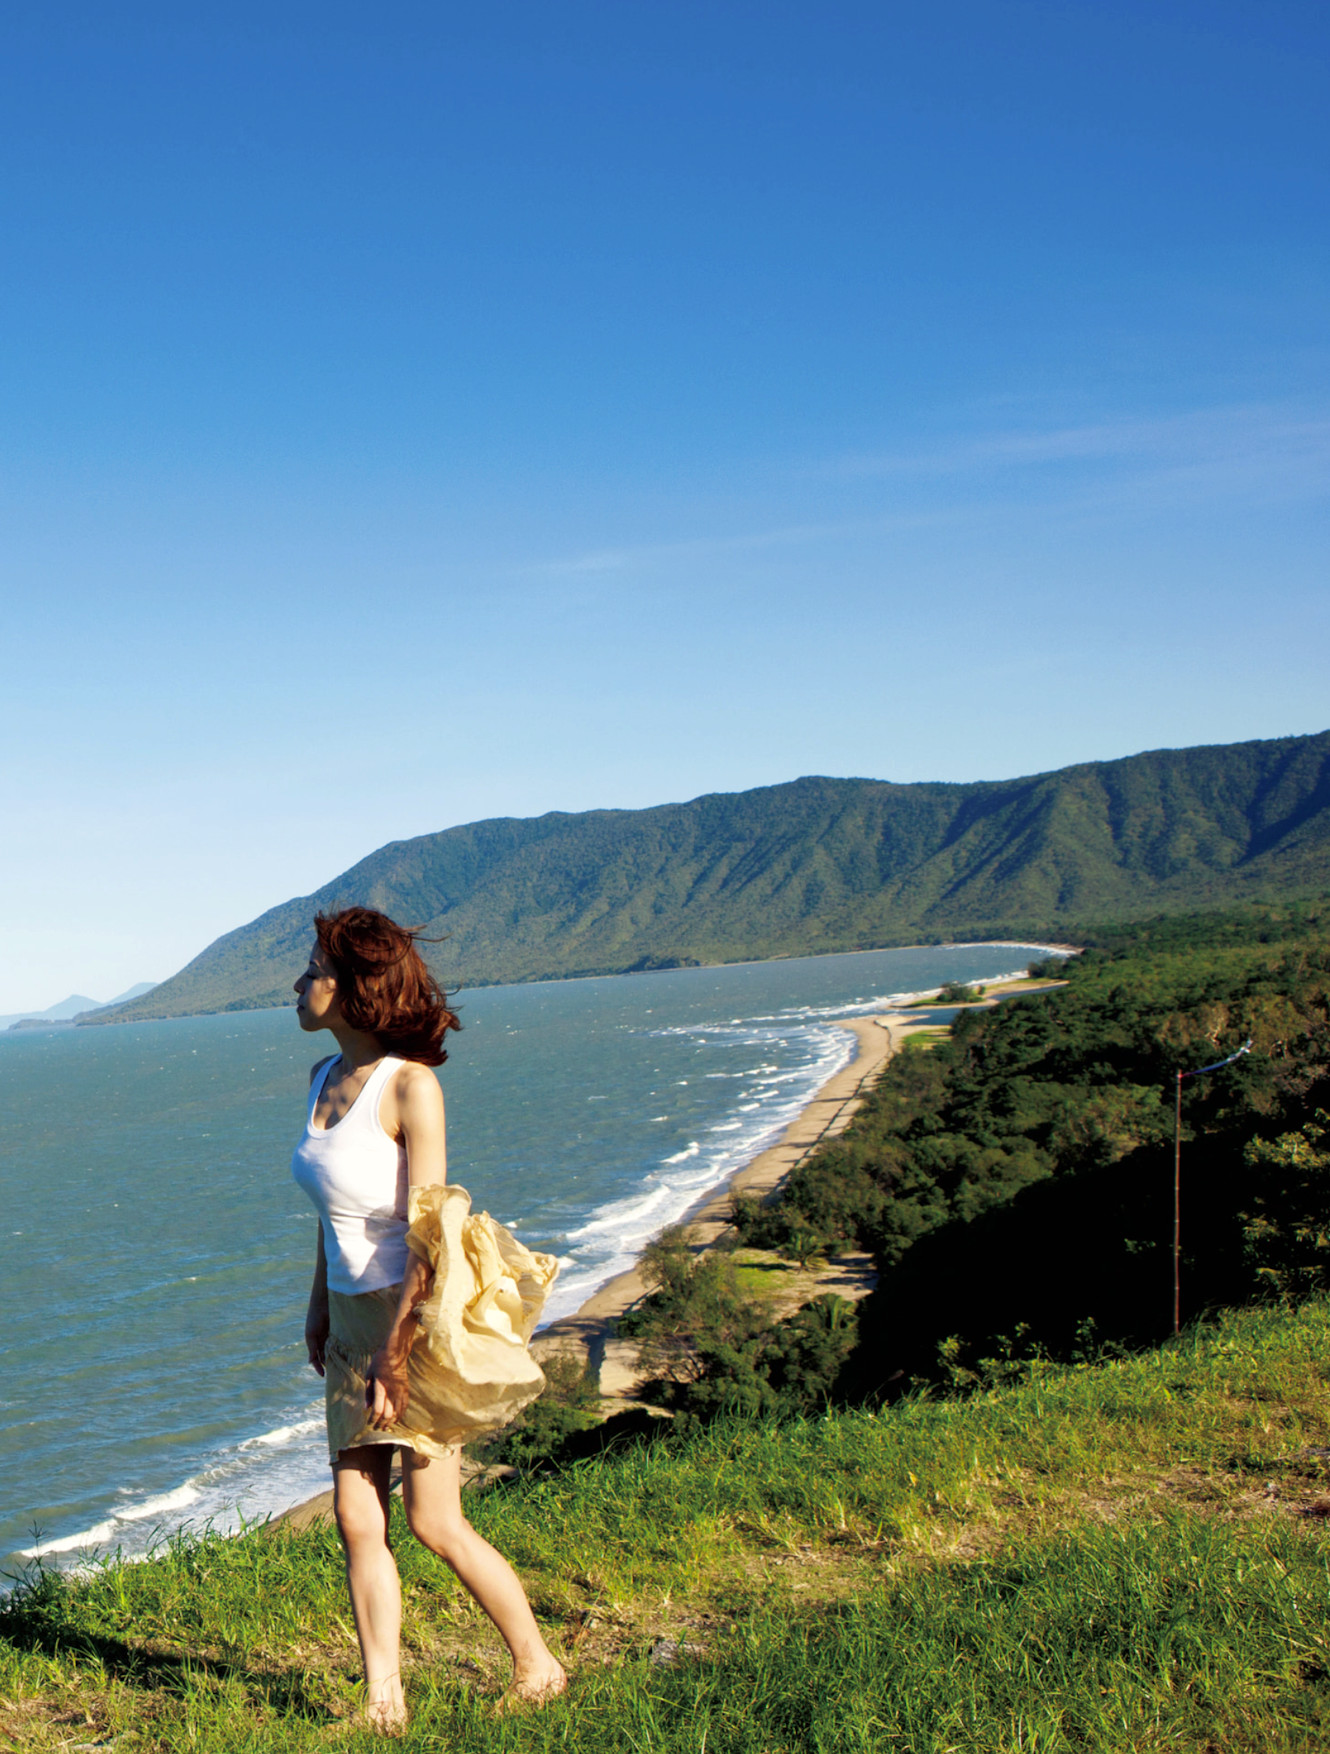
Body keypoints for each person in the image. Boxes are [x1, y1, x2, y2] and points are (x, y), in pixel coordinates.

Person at [291, 906, 566, 1733]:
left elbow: (431, 1231)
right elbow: (329, 1216)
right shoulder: (316, 1078)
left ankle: (537, 1664)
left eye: (311, 969)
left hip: (409, 1326)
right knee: (353, 1517)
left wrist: (399, 1355)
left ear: (350, 985)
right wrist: (316, 1306)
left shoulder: (412, 1085)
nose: (298, 985)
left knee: (433, 1520)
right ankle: (383, 1702)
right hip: (346, 1319)